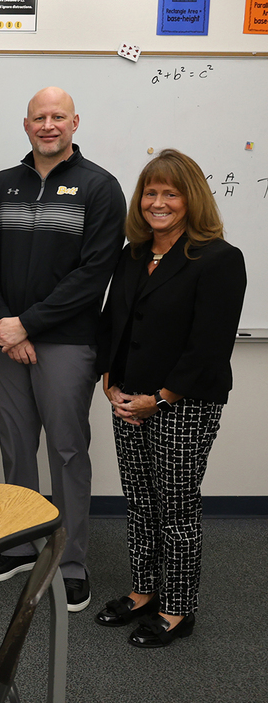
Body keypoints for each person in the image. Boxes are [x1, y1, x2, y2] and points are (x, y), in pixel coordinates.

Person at [0, 87, 126, 613]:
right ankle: (19, 545)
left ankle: (70, 562)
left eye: (58, 116)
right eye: (39, 117)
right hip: (4, 338)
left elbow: (94, 274)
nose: (48, 124)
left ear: (75, 122)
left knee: (66, 450)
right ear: (26, 124)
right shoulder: (0, 186)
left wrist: (28, 325)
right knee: (16, 445)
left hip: (66, 341)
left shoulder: (100, 188)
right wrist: (2, 323)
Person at [95, 149, 245, 647]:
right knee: (140, 502)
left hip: (183, 404)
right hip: (128, 398)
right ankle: (144, 592)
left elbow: (209, 347)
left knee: (176, 507)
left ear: (190, 199)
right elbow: (118, 319)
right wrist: (110, 376)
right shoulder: (133, 253)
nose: (157, 203)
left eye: (170, 193)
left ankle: (178, 608)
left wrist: (157, 399)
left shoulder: (220, 259)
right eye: (150, 193)